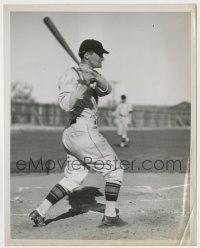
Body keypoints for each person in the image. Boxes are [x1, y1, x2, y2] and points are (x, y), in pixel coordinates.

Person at [29, 39, 125, 227]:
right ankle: (111, 216)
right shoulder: (71, 75)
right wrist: (82, 85)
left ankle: (40, 212)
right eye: (99, 53)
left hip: (76, 133)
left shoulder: (90, 73)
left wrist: (94, 77)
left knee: (74, 177)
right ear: (87, 54)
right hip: (83, 130)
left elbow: (107, 89)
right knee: (115, 170)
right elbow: (65, 104)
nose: (102, 57)